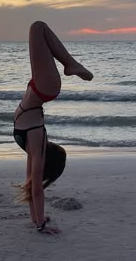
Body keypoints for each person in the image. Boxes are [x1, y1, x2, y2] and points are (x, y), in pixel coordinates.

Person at [13, 21, 93, 234]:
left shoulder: (37, 144)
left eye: (56, 147)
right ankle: (70, 64)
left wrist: (39, 224)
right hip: (42, 89)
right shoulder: (35, 144)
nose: (54, 144)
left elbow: (35, 186)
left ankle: (71, 64)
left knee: (38, 27)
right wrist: (38, 219)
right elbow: (33, 185)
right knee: (37, 29)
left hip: (43, 89)